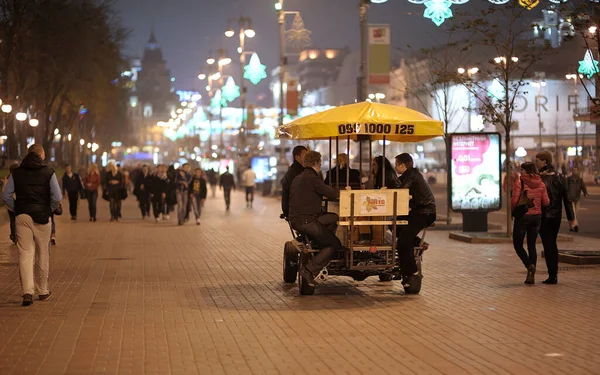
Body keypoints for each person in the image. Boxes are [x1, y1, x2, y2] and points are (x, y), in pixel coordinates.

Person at [2, 144, 62, 306]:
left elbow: (6, 196)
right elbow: (57, 196)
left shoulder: (17, 172)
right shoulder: (48, 172)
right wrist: (47, 209)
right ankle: (43, 290)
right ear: (41, 155)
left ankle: (27, 292)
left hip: (22, 216)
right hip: (42, 217)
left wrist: (17, 208)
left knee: (25, 254)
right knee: (43, 253)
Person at [289, 151, 341, 287]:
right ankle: (308, 270)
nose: (321, 164)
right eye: (320, 162)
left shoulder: (298, 177)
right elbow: (330, 193)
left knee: (333, 218)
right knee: (335, 244)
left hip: (297, 219)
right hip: (307, 221)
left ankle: (311, 241)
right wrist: (343, 191)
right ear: (316, 163)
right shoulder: (313, 178)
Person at [394, 153, 436, 290]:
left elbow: (402, 191)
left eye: (396, 164)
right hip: (419, 211)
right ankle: (418, 242)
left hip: (425, 213)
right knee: (395, 225)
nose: (395, 167)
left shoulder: (412, 176)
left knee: (403, 241)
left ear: (403, 165)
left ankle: (411, 272)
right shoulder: (410, 174)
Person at [535, 150, 575, 285]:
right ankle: (553, 274)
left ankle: (553, 275)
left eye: (538, 161)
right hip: (556, 216)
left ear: (544, 162)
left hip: (543, 217)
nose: (536, 163)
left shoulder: (538, 178)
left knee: (548, 244)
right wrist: (571, 218)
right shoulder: (560, 177)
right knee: (552, 243)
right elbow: (567, 200)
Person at [510, 162, 550, 284]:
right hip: (536, 218)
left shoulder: (520, 182)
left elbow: (515, 200)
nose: (520, 171)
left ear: (527, 171)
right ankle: (531, 276)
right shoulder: (541, 184)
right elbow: (546, 202)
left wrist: (513, 212)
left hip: (523, 217)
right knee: (532, 245)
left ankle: (529, 265)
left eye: (522, 169)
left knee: (518, 245)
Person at [281, 145, 308, 217]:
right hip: (296, 211)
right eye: (305, 155)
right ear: (297, 157)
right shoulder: (296, 172)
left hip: (293, 209)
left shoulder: (299, 169)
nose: (307, 157)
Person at [567, 166, 589, 232]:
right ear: (572, 171)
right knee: (573, 213)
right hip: (570, 199)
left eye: (576, 170)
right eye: (573, 170)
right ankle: (575, 225)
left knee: (574, 213)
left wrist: (585, 193)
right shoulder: (568, 179)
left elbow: (583, 187)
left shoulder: (580, 180)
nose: (574, 171)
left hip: (577, 198)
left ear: (578, 171)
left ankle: (571, 226)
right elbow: (565, 188)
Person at [3, 163, 19, 244]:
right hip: (15, 201)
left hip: (8, 203)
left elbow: (4, 191)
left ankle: (13, 235)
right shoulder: (15, 178)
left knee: (12, 220)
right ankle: (16, 236)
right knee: (16, 220)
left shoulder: (7, 178)